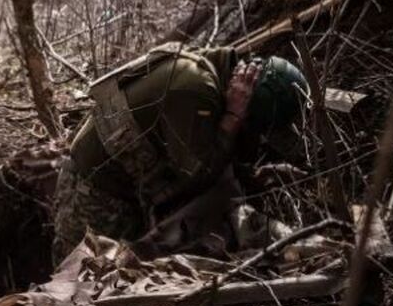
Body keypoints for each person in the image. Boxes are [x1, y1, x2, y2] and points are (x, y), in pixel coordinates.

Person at [52, 42, 309, 263]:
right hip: (94, 188)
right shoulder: (196, 88)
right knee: (83, 279)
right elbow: (196, 174)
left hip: (119, 185)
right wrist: (231, 119)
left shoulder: (214, 71)